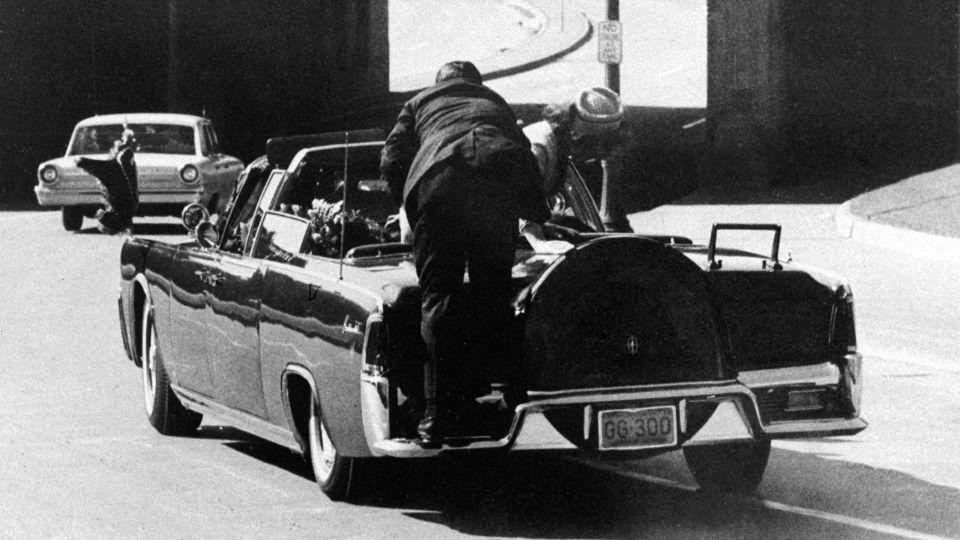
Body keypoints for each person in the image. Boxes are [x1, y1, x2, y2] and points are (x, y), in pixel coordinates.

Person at [380, 61, 569, 447]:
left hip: (440, 183)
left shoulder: (419, 103)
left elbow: (392, 158)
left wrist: (408, 200)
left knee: (439, 298)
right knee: (497, 297)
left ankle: (437, 416)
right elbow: (522, 158)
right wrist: (537, 214)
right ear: (475, 83)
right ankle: (512, 400)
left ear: (441, 83)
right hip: (495, 186)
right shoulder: (494, 102)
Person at [76, 128, 139, 234]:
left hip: (119, 175)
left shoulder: (124, 211)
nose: (99, 212)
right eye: (102, 216)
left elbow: (107, 171)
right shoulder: (120, 207)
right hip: (119, 176)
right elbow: (108, 171)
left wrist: (83, 163)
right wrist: (82, 162)